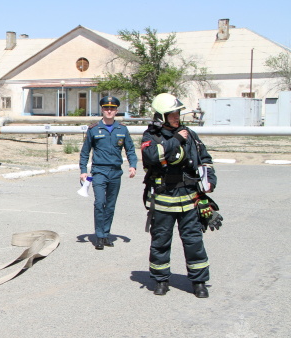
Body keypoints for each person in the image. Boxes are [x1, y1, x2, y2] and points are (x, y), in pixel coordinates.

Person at [141, 93, 221, 298]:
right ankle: (160, 280)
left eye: (177, 112)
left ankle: (199, 282)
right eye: (171, 113)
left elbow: (205, 159)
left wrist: (209, 179)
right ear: (161, 116)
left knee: (194, 241)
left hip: (189, 198)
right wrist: (176, 140)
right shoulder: (151, 136)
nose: (176, 116)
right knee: (160, 241)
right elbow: (150, 157)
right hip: (164, 198)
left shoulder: (191, 134)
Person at [79, 96, 138, 250]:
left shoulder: (122, 129)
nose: (109, 111)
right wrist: (83, 171)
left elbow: (130, 149)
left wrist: (133, 165)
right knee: (99, 203)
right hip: (99, 171)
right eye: (106, 108)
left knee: (110, 205)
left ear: (117, 111)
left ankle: (106, 234)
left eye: (112, 108)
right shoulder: (93, 129)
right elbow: (85, 152)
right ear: (102, 110)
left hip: (115, 173)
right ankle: (99, 236)